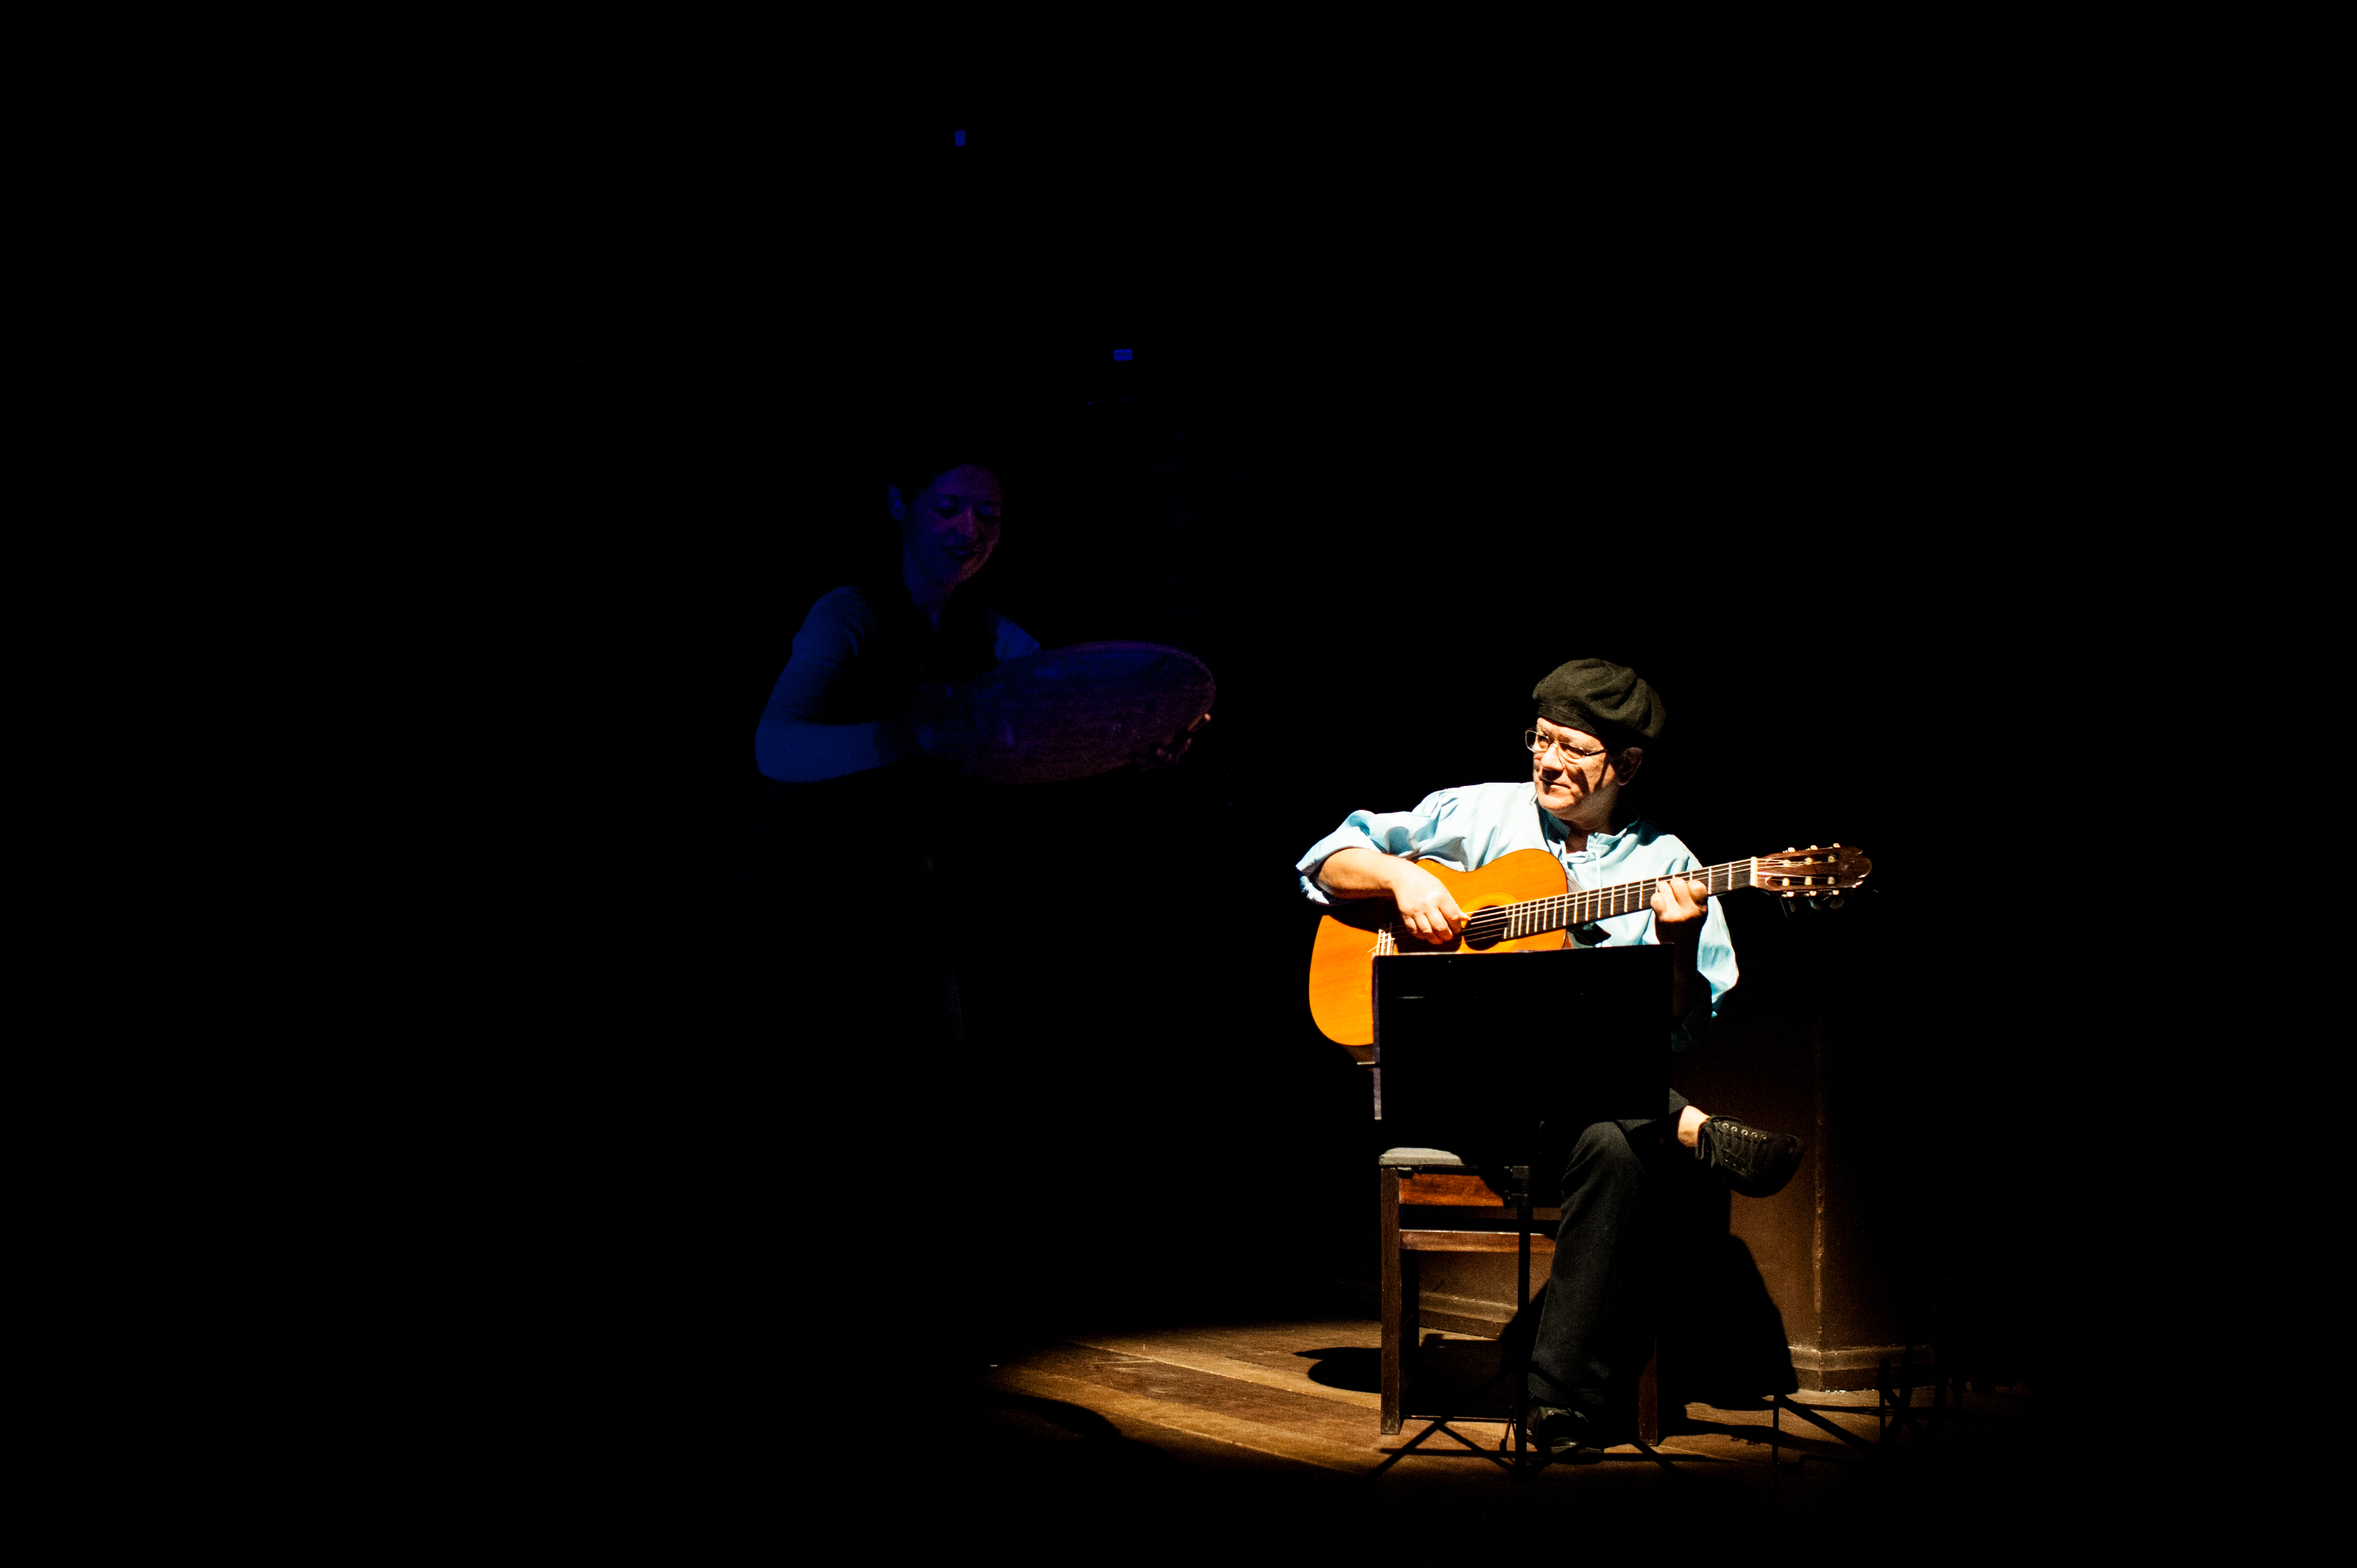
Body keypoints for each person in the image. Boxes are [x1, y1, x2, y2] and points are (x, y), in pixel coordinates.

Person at [1294, 657, 1804, 1457]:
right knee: (1624, 1109)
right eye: (1540, 740)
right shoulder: (1474, 812)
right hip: (1455, 1089)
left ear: (1625, 764)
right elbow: (1325, 858)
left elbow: (1670, 1029)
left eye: (1572, 748)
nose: (1549, 761)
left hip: (1573, 1111)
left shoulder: (1666, 863)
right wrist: (1401, 880)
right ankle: (1691, 1128)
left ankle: (1559, 1403)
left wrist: (1675, 938)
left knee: (1614, 1144)